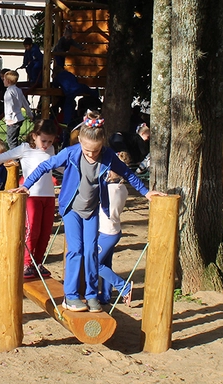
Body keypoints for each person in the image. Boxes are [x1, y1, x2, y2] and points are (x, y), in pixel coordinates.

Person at [13, 111, 164, 313]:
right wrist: (26, 185)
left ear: (102, 145)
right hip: (72, 209)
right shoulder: (71, 153)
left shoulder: (108, 156)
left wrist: (146, 192)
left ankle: (91, 295)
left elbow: (127, 173)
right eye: (87, 150)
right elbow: (44, 166)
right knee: (75, 249)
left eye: (96, 150)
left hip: (91, 210)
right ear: (80, 142)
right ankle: (71, 296)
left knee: (91, 251)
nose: (91, 154)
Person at [0, 120, 58, 278]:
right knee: (32, 230)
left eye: (50, 141)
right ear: (34, 136)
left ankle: (38, 262)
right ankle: (26, 263)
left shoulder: (51, 150)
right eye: (44, 140)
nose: (46, 145)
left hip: (49, 196)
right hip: (32, 196)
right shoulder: (25, 149)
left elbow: (58, 165)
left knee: (45, 231)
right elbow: (0, 158)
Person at [97, 160, 133, 306]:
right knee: (106, 263)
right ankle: (105, 296)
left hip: (107, 232)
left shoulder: (107, 189)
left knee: (94, 263)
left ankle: (124, 287)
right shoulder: (123, 189)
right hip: (114, 230)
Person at [2, 70, 32, 149]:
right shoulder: (18, 90)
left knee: (11, 141)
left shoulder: (9, 92)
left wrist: (8, 118)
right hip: (19, 117)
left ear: (8, 81)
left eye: (4, 79)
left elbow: (9, 105)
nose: (3, 81)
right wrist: (30, 114)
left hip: (13, 119)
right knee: (14, 139)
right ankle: (16, 153)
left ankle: (15, 155)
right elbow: (25, 103)